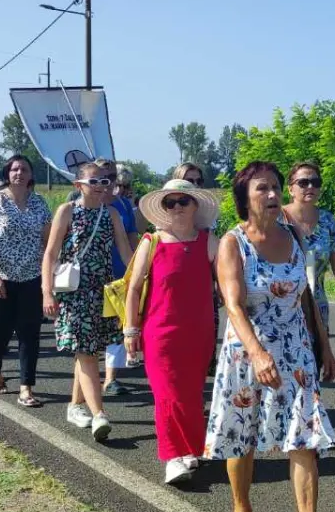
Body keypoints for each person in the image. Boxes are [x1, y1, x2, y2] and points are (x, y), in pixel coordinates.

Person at [204, 162, 335, 512]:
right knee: (242, 432)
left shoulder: (294, 236)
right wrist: (257, 352)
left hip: (296, 351)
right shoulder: (233, 243)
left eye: (276, 187)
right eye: (262, 188)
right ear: (244, 197)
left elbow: (305, 295)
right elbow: (232, 304)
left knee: (305, 435)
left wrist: (323, 345)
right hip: (248, 351)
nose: (272, 194)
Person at [125, 178, 221, 484]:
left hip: (198, 333)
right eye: (170, 202)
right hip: (160, 332)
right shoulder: (151, 242)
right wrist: (130, 330)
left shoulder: (210, 241)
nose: (177, 207)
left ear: (195, 205)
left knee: (191, 394)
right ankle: (172, 456)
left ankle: (190, 447)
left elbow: (229, 283)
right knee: (167, 394)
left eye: (183, 201)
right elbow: (134, 288)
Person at [42, 162, 136, 441]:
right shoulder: (67, 211)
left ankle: (75, 406)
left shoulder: (112, 214)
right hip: (74, 293)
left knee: (88, 352)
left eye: (104, 182)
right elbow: (50, 253)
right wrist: (46, 292)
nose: (100, 187)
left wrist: (141, 280)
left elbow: (125, 252)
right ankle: (99, 414)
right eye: (93, 182)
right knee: (86, 353)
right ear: (78, 185)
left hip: (101, 293)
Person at [0, 154, 52, 406]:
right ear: (7, 174)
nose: (19, 173)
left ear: (31, 175)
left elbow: (48, 242)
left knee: (29, 332)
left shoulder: (39, 203)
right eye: (14, 169)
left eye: (24, 169)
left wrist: (49, 276)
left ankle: (26, 388)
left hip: (31, 277)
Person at [281, 160, 335, 333]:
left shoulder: (327, 221)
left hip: (316, 310)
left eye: (316, 182)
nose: (310, 186)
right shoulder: (276, 219)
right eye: (303, 182)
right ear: (290, 189)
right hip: (280, 308)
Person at [99, 161, 141, 397]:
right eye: (103, 176)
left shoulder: (123, 205)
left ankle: (110, 378)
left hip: (118, 274)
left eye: (112, 177)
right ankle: (86, 375)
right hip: (90, 278)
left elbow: (133, 236)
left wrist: (136, 267)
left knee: (118, 325)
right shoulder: (80, 204)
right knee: (93, 330)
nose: (109, 182)